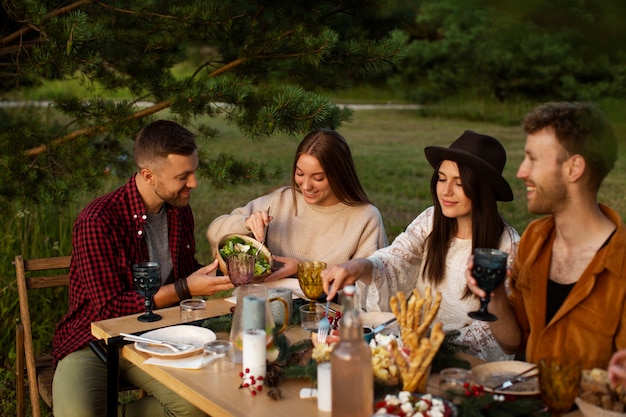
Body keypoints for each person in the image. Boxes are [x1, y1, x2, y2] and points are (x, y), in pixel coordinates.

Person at [51, 120, 232, 417]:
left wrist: (224, 269)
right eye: (183, 176)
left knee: (198, 407)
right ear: (148, 175)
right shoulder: (98, 221)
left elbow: (186, 274)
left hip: (160, 337)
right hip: (93, 341)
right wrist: (185, 289)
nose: (194, 183)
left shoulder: (179, 211)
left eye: (194, 171)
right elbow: (109, 309)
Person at [322, 130, 520, 362]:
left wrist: (425, 349)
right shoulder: (431, 220)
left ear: (483, 189)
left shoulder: (507, 249)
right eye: (442, 178)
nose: (445, 191)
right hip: (412, 345)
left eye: (459, 183)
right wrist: (361, 265)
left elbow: (493, 338)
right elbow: (395, 260)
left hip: (459, 362)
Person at [467, 101, 626, 370]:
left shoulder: (620, 265)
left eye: (533, 159)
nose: (521, 172)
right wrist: (494, 296)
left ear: (574, 168)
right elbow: (512, 342)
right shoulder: (535, 239)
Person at [207, 128, 387, 282]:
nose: (306, 186)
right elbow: (214, 232)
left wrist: (303, 269)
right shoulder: (282, 200)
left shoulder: (365, 217)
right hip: (267, 307)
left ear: (339, 174)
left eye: (318, 178)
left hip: (328, 316)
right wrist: (245, 223)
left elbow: (372, 283)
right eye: (300, 173)